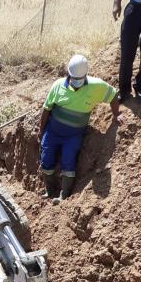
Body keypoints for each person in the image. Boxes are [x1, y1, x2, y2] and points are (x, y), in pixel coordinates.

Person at [39, 54, 121, 205]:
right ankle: (49, 191)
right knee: (46, 160)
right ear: (68, 74)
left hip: (73, 136)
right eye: (74, 78)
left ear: (86, 75)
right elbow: (46, 109)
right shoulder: (58, 86)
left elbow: (113, 94)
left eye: (80, 78)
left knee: (68, 162)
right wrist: (41, 131)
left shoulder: (96, 86)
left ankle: (64, 196)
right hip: (52, 133)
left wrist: (116, 115)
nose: (77, 81)